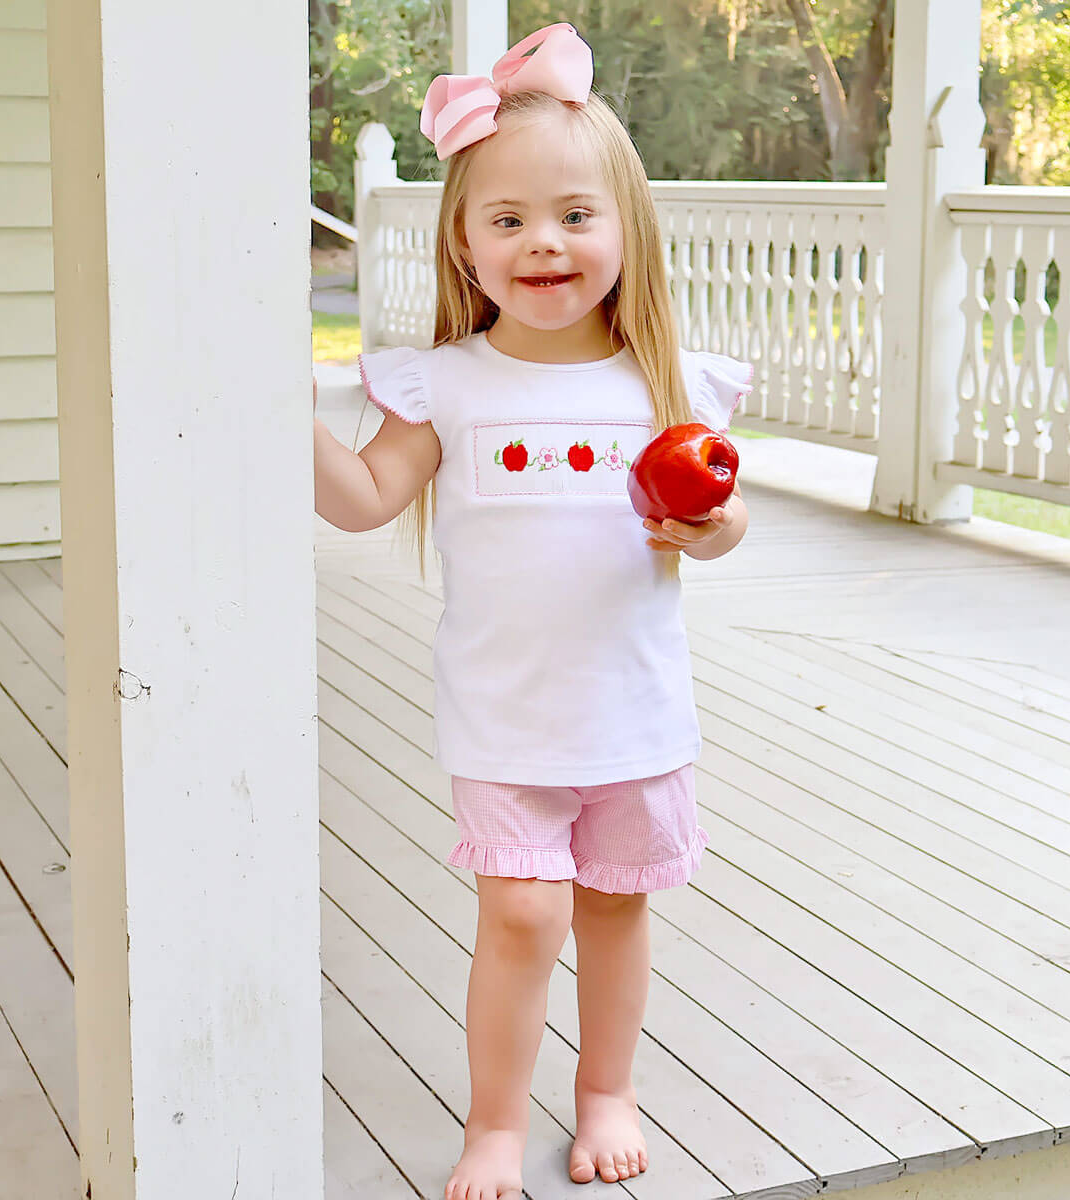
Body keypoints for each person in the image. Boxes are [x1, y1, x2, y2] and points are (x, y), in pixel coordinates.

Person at [313, 22, 752, 1200]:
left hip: (633, 714)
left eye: (574, 214)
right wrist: (278, 413)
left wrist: (711, 531)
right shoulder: (447, 385)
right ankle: (495, 1123)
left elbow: (725, 518)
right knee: (520, 915)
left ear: (626, 229)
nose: (543, 241)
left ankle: (607, 1090)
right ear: (464, 242)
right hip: (506, 719)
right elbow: (361, 499)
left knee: (614, 911)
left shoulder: (666, 384)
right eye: (506, 219)